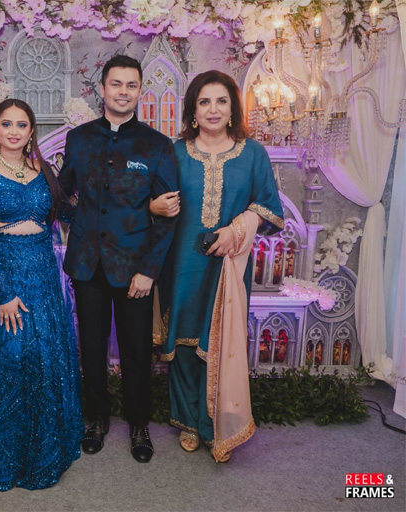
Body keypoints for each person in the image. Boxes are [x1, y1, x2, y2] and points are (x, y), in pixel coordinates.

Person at [154, 69, 284, 463]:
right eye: (204, 102)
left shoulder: (253, 154)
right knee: (183, 341)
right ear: (193, 111)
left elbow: (268, 208)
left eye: (222, 101)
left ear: (233, 109)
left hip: (228, 265)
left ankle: (214, 427)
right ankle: (188, 421)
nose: (213, 109)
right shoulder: (175, 153)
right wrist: (153, 206)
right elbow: (154, 202)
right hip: (180, 264)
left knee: (219, 340)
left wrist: (236, 229)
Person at [58, 55, 178, 463]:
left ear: (139, 90)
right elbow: (64, 194)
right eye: (116, 84)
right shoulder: (79, 139)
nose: (123, 92)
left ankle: (139, 424)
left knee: (136, 350)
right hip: (87, 264)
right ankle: (96, 419)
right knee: (91, 348)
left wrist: (149, 271)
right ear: (102, 89)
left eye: (131, 85)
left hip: (135, 268)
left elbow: (169, 214)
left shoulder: (156, 145)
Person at [0, 99, 82, 490]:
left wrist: (103, 196)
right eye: (6, 124)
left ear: (31, 131)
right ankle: (1, 459)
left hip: (43, 275)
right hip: (4, 276)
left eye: (22, 125)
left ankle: (45, 452)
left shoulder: (43, 170)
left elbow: (67, 214)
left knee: (45, 361)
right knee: (8, 360)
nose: (14, 131)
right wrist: (4, 293)